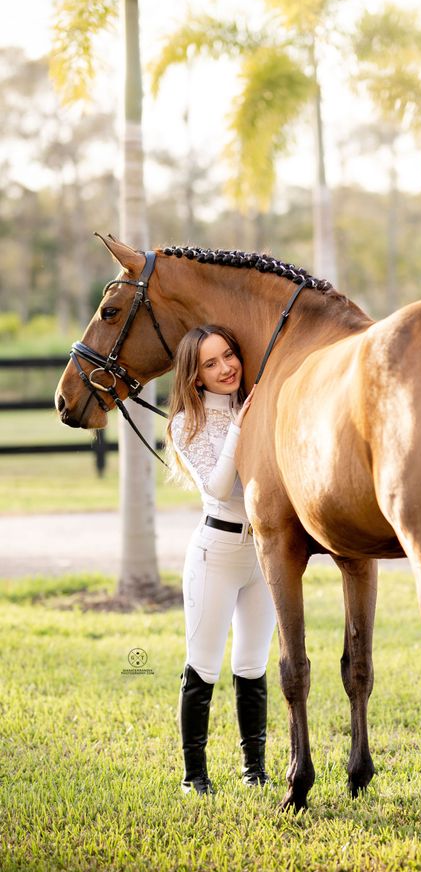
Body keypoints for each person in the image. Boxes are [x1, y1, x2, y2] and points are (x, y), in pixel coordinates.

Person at [166, 324, 277, 795]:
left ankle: (255, 771)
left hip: (263, 553)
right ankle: (195, 776)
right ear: (195, 376)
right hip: (215, 554)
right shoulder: (185, 424)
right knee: (204, 666)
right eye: (210, 363)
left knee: (252, 664)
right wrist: (236, 426)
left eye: (229, 355)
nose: (226, 367)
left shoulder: (257, 403)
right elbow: (216, 485)